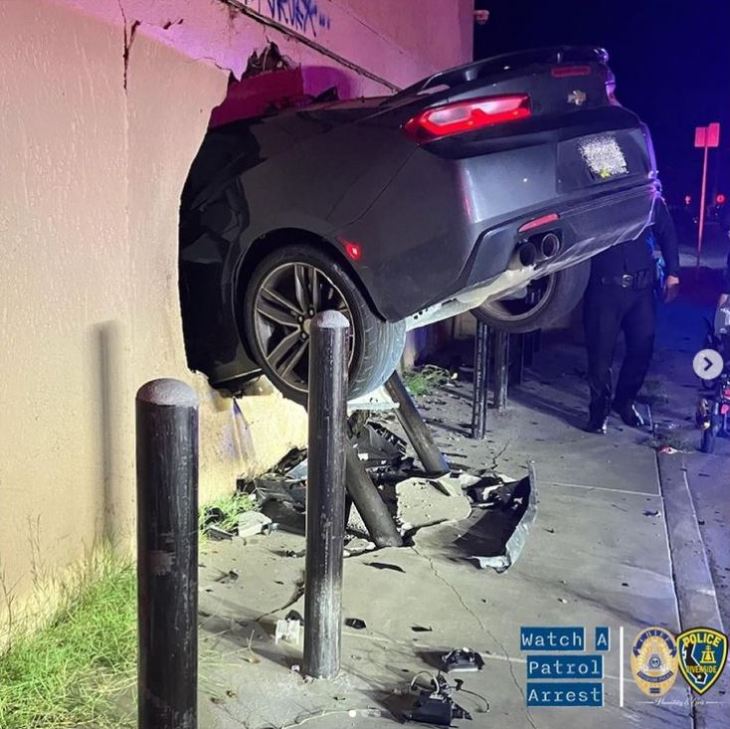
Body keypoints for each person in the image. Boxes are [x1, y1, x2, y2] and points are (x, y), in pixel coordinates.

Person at [583, 197, 680, 433]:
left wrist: (673, 273)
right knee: (600, 354)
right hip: (604, 289)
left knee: (641, 350)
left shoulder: (647, 196)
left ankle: (624, 402)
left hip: (641, 290)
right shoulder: (597, 197)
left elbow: (666, 231)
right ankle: (599, 411)